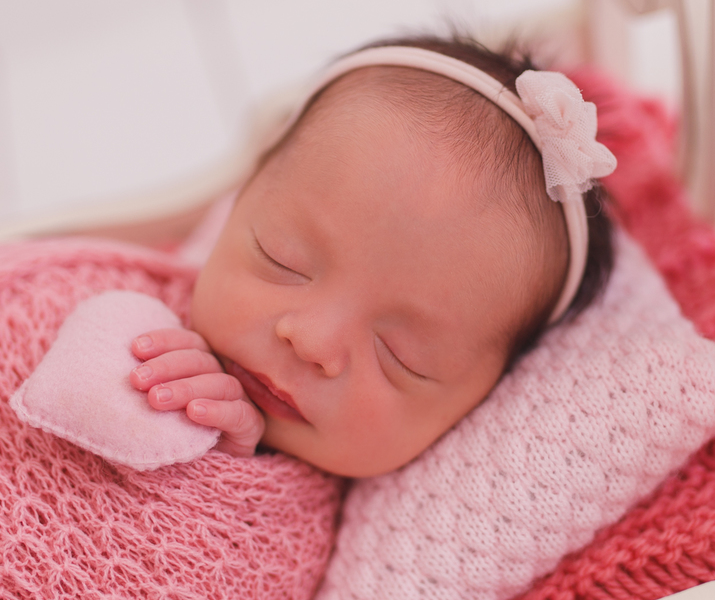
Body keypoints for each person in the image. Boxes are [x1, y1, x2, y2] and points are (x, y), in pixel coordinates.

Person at [128, 35, 617, 477]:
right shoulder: (135, 302)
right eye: (282, 261)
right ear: (244, 193)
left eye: (400, 358)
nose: (312, 342)